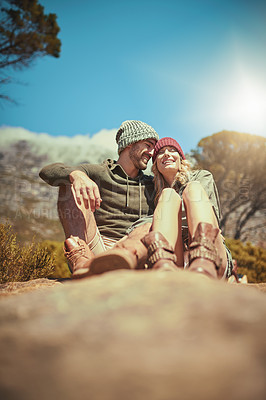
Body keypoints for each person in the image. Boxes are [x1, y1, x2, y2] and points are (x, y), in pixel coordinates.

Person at [82, 137, 233, 280]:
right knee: (167, 195)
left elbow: (208, 212)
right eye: (160, 152)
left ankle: (203, 260)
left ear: (181, 159)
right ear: (155, 165)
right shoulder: (154, 193)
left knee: (192, 189)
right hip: (175, 259)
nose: (166, 154)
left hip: (212, 257)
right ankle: (163, 265)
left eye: (172, 150)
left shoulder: (201, 176)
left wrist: (162, 216)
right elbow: (146, 222)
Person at [39, 120, 159, 278]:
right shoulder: (99, 172)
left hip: (133, 248)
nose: (152, 153)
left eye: (154, 148)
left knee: (151, 221)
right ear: (130, 143)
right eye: (148, 145)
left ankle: (121, 259)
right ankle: (82, 260)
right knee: (68, 182)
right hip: (95, 245)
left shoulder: (152, 183)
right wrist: (77, 175)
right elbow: (47, 171)